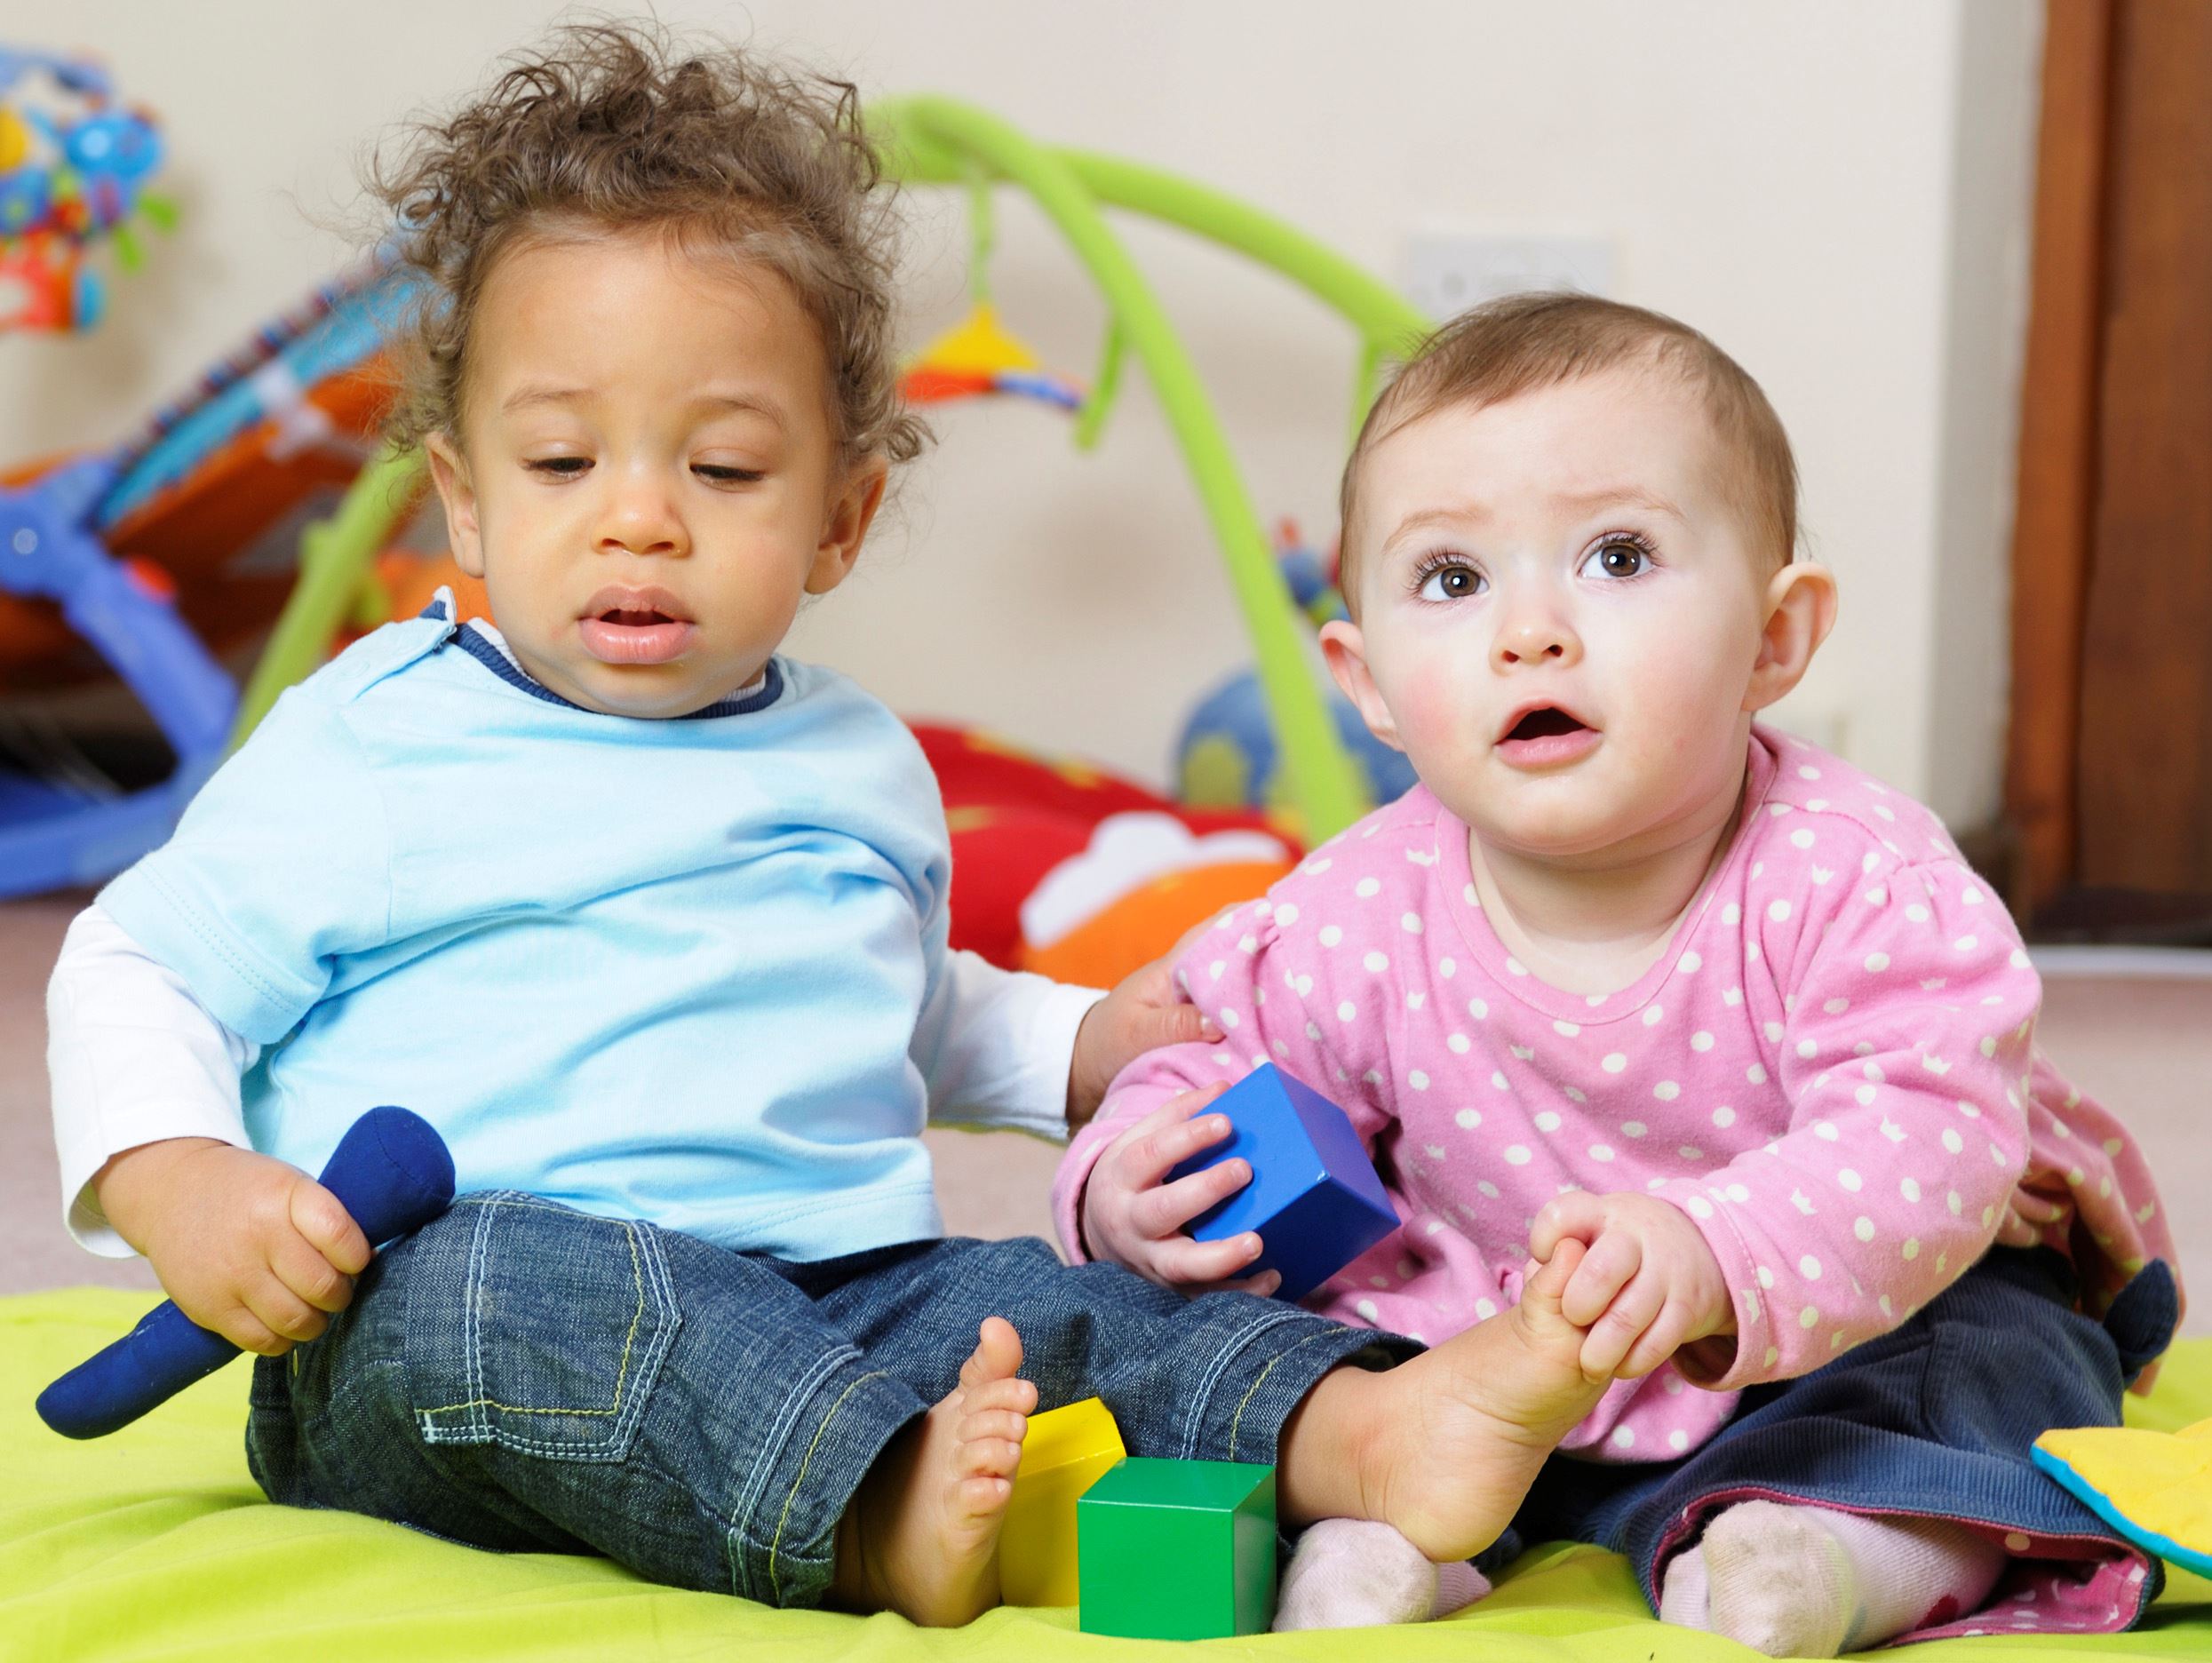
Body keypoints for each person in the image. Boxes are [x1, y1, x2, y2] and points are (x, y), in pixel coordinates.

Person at [45, 28, 1622, 1627]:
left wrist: (1081, 1043)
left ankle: (1371, 1431)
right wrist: (177, 1177)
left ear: (839, 518)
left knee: (1050, 1306)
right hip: (432, 1343)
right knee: (486, 1285)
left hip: (840, 1292)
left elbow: (892, 998)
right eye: (559, 459)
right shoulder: (380, 739)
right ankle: (867, 1516)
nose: (639, 513)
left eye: (723, 466)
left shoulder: (851, 756)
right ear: (464, 499)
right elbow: (133, 961)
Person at [1060, 291, 2183, 1651]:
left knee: (2000, 1358)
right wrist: (1134, 1171)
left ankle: (1835, 1550)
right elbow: (1198, 1053)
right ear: (1364, 680)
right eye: (1453, 580)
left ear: (1772, 640)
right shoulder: (1351, 911)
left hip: (1819, 1339)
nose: (1529, 631)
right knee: (1220, 1357)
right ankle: (1392, 1526)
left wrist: (1719, 1249)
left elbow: (1929, 1130)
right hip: (1471, 1358)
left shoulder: (1852, 880)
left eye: (1616, 556)